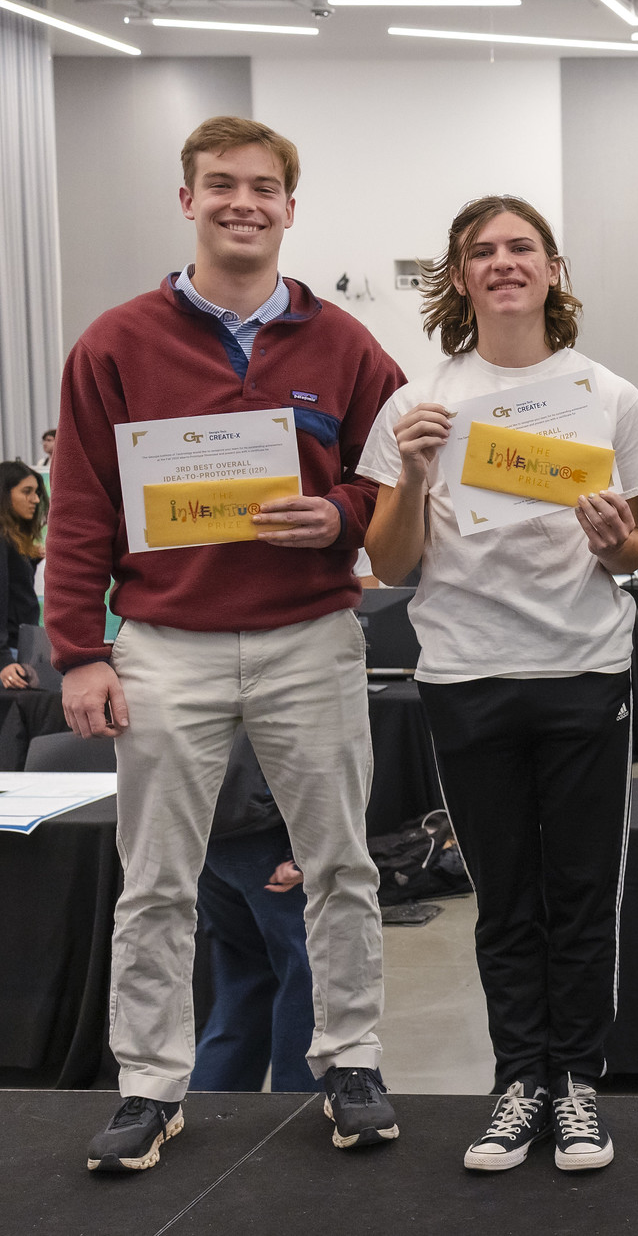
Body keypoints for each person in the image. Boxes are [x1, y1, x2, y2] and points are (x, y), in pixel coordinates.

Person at [47, 116, 404, 1171]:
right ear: (187, 200)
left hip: (310, 636)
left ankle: (350, 1061)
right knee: (155, 879)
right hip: (165, 641)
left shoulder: (345, 344)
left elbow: (390, 477)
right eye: (221, 186)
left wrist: (340, 515)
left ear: (291, 209)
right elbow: (78, 510)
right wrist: (80, 650)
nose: (242, 203)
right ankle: (151, 1087)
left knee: (341, 863)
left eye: (263, 188)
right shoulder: (115, 343)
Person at [359, 195, 638, 1173]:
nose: (501, 262)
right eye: (480, 251)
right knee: (504, 898)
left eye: (518, 246)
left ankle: (576, 1084)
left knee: (578, 893)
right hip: (465, 674)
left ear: (553, 268)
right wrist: (407, 474)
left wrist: (622, 545)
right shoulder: (416, 406)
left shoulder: (607, 395)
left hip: (582, 671)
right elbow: (391, 565)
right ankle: (516, 1081)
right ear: (458, 275)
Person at [192, 735, 316, 1095]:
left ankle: (211, 1109)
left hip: (207, 821)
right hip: (265, 824)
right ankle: (300, 1108)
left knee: (245, 978)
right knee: (308, 975)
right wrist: (309, 848)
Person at [1, 460, 63, 764]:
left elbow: (15, 592)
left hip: (17, 650)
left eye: (37, 492)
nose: (36, 499)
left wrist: (31, 560)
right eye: (27, 491)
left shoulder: (13, 540)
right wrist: (2, 660)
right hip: (8, 655)